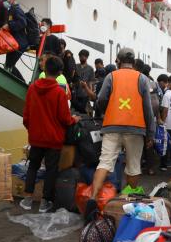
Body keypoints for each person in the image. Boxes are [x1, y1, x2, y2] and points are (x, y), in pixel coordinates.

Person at [85, 48, 156, 219]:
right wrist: (150, 133)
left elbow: (101, 99)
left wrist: (106, 110)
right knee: (133, 165)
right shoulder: (142, 78)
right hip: (135, 128)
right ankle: (129, 203)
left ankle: (92, 199)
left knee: (104, 162)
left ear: (118, 60)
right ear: (134, 61)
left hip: (112, 126)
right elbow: (148, 108)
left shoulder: (112, 76)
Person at [21, 56, 78, 213]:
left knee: (33, 165)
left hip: (36, 137)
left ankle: (27, 198)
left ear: (44, 69)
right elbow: (65, 119)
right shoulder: (59, 92)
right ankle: (45, 202)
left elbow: (26, 115)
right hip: (53, 139)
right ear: (60, 72)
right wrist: (74, 120)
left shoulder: (32, 88)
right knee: (51, 170)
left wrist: (31, 130)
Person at [0, 0, 28, 82]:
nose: (3, 2)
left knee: (9, 66)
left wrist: (9, 25)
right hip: (13, 43)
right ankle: (13, 82)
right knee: (8, 65)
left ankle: (22, 83)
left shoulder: (16, 9)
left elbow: (23, 23)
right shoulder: (10, 10)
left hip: (19, 43)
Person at [72, 49, 94, 114]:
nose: (80, 58)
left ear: (86, 57)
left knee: (83, 114)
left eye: (82, 57)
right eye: (79, 57)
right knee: (74, 113)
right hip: (75, 94)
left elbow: (90, 82)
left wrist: (90, 94)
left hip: (85, 95)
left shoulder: (90, 69)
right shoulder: (75, 66)